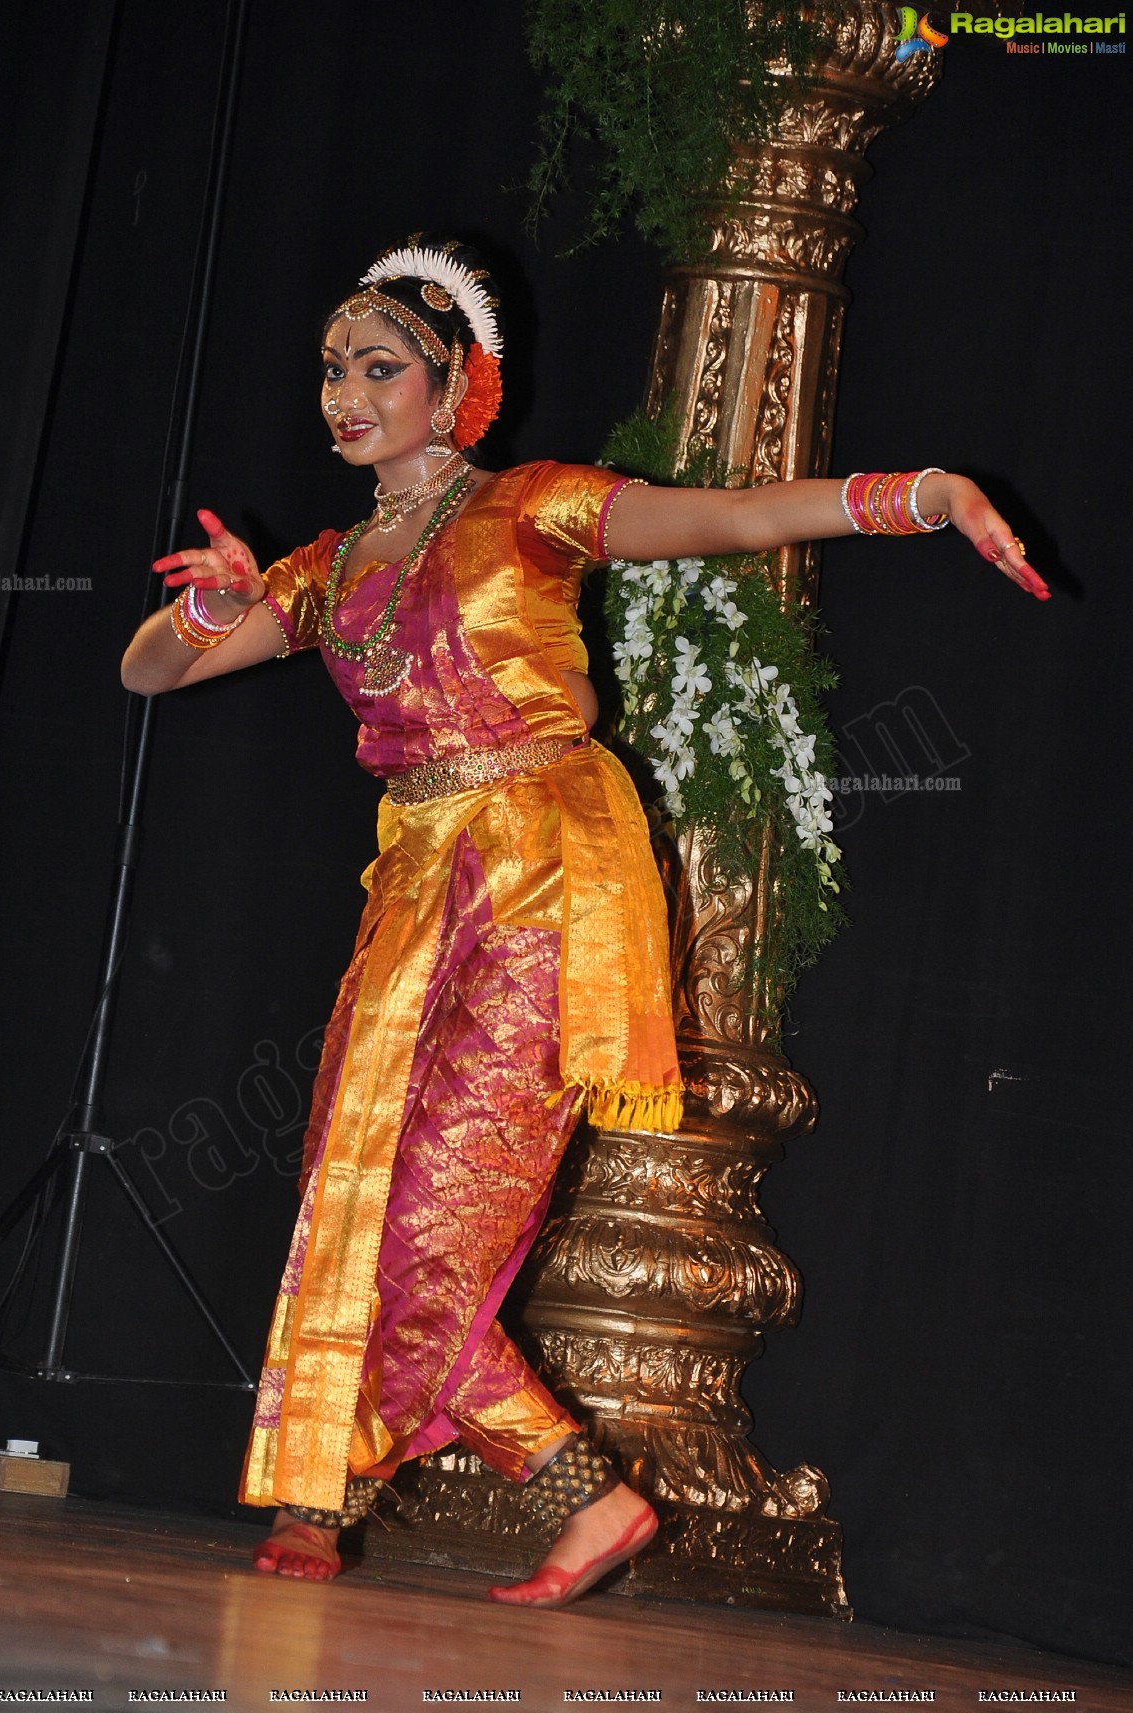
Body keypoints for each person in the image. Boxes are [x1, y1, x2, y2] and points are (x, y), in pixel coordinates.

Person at [122, 235, 1049, 1608]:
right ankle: (533, 1495)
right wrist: (205, 607)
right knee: (352, 1192)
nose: (345, 391)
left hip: (546, 871)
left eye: (381, 366)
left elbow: (725, 517)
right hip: (414, 888)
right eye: (332, 367)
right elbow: (152, 674)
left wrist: (920, 495)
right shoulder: (325, 566)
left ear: (456, 390)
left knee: (440, 1213)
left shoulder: (533, 506)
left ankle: (352, 1492)